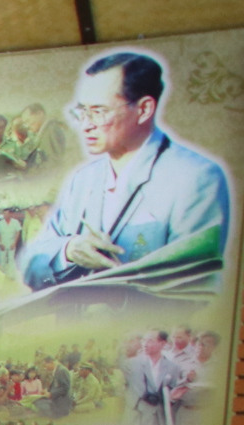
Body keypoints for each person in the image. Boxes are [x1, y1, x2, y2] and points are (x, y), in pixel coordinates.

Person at [22, 49, 230, 289]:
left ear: (144, 110)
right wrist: (67, 251)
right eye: (81, 112)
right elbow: (31, 265)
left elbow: (193, 288)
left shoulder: (196, 177)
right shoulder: (82, 180)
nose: (86, 125)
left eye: (98, 112)